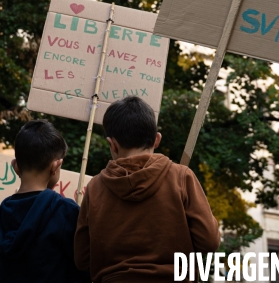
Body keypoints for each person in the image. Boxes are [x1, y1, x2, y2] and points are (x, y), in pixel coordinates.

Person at [74, 96, 221, 282]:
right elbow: (209, 242)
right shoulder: (181, 176)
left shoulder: (95, 187)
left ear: (112, 144)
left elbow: (82, 258)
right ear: (157, 139)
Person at [0, 120, 88, 283]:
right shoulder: (66, 211)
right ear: (56, 166)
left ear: (15, 166)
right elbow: (84, 268)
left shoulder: (2, 213)